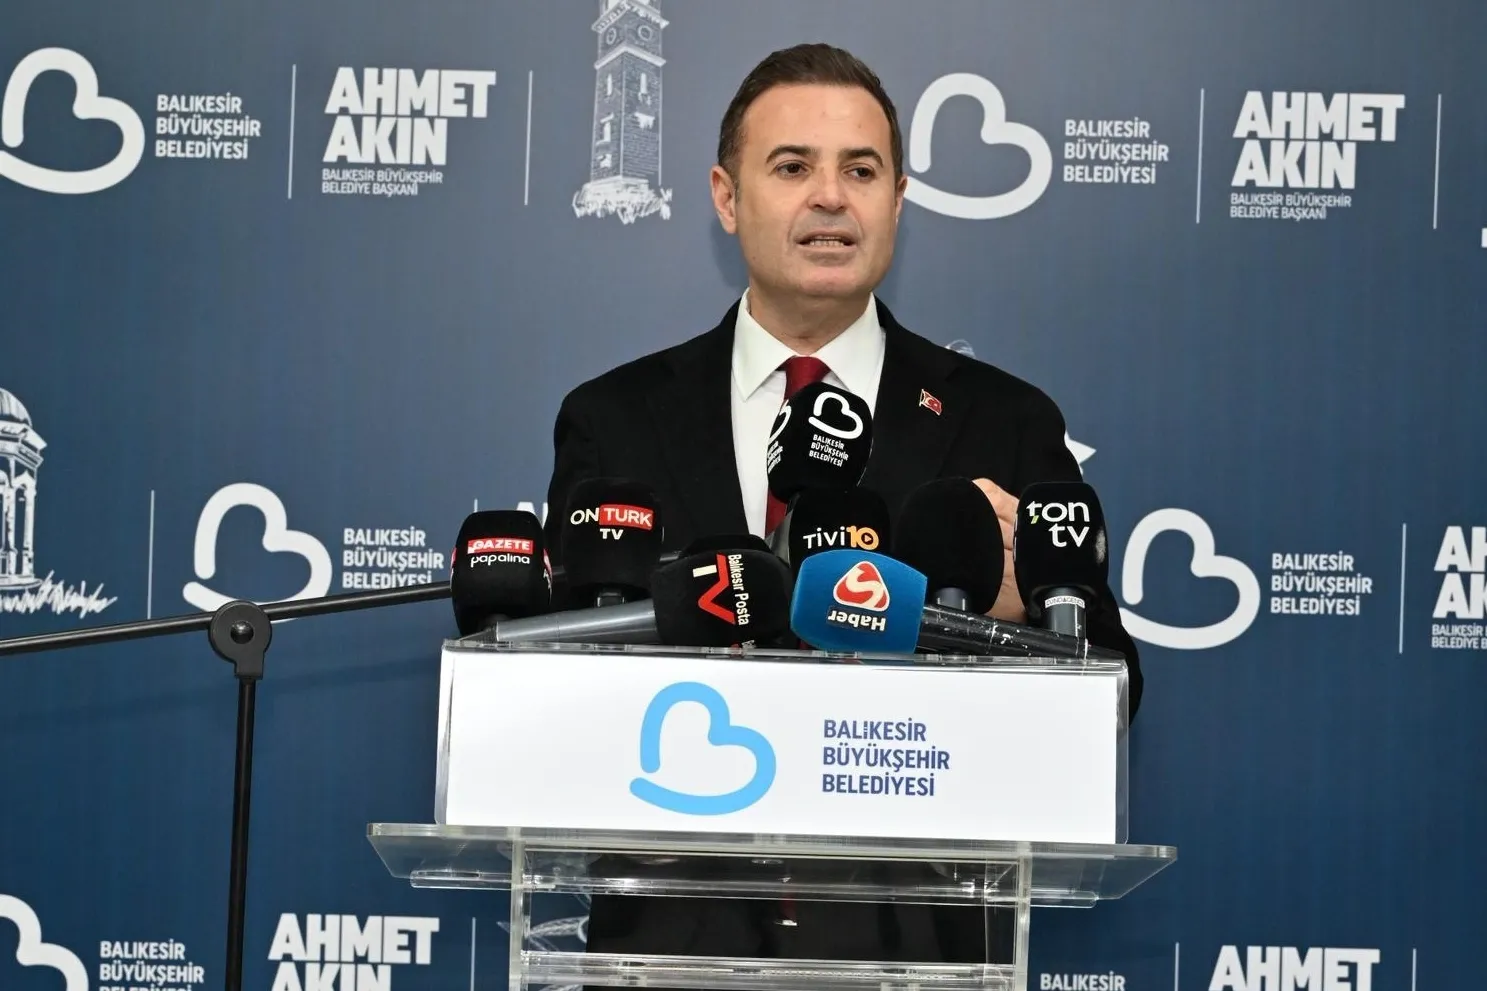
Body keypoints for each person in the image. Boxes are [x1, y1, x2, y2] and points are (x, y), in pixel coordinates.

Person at [544, 42, 1142, 972]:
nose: (829, 197)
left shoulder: (1004, 421)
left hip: (922, 952)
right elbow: (552, 692)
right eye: (792, 168)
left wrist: (1016, 614)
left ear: (897, 200)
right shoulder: (612, 420)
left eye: (860, 171)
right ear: (725, 197)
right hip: (672, 950)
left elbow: (1113, 686)